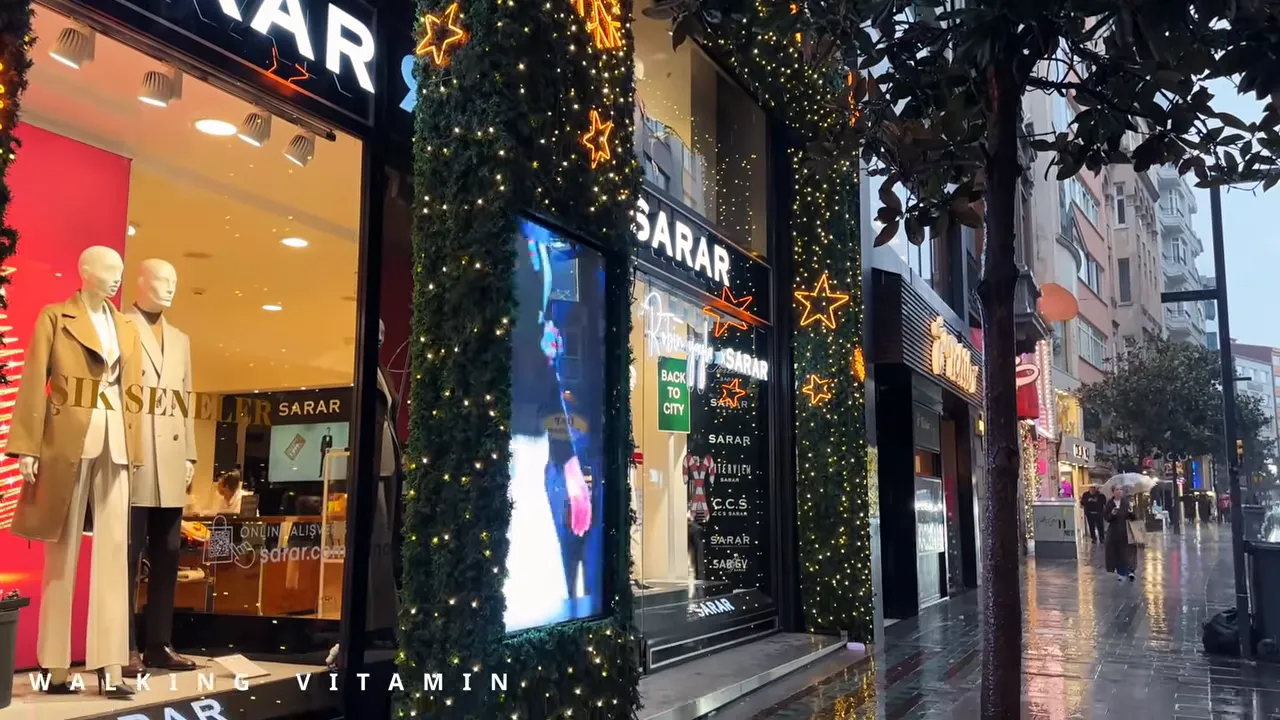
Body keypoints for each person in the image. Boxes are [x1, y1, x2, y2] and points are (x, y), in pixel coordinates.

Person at [1104, 487, 1137, 582]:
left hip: (1126, 531)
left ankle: (1129, 571)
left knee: (1127, 553)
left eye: (1120, 490)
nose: (1119, 491)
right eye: (1117, 490)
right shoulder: (1109, 504)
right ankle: (1121, 573)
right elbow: (1107, 518)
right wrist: (1112, 514)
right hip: (1114, 532)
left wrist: (1131, 513)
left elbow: (1133, 518)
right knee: (1116, 553)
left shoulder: (1126, 503)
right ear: (1113, 492)